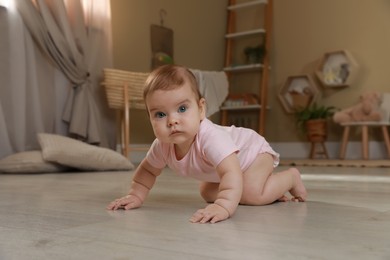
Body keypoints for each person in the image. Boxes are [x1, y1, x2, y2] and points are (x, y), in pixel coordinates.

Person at [107, 64, 307, 224]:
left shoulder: (210, 137)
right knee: (207, 192)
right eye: (160, 114)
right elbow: (148, 172)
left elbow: (230, 172)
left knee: (251, 193)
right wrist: (135, 195)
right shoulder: (161, 145)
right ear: (150, 117)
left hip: (252, 154)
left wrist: (223, 206)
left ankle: (290, 178)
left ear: (201, 109)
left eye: (182, 108)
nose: (172, 120)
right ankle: (271, 189)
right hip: (229, 168)